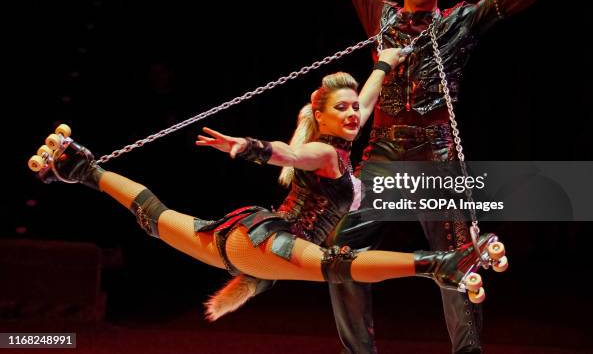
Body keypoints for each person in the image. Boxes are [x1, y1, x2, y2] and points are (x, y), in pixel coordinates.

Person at [320, 0, 593, 354]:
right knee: (340, 253)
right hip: (383, 156)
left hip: (437, 157)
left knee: (460, 261)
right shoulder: (380, 18)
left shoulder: (459, 22)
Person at [29, 49, 501, 324]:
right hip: (273, 243)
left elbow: (368, 98)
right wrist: (247, 147)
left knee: (153, 217)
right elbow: (288, 153)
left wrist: (385, 64)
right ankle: (439, 264)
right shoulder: (320, 152)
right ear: (320, 117)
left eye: (356, 107)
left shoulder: (341, 148)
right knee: (339, 266)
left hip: (254, 249)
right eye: (344, 109)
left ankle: (85, 172)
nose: (355, 113)